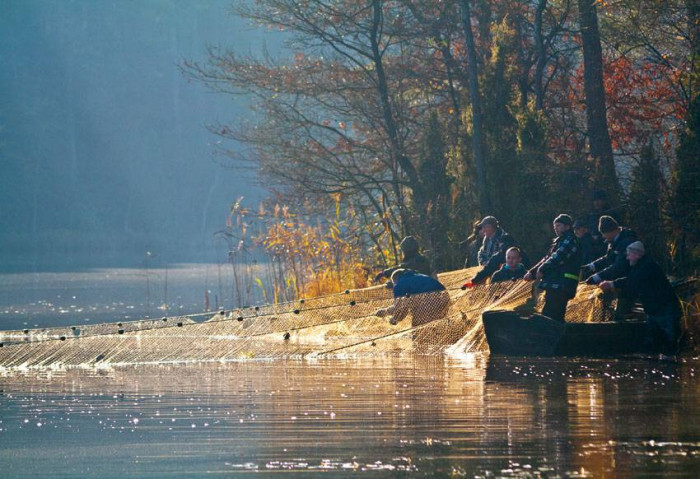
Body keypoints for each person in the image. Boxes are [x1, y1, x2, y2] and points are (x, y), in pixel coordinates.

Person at [598, 241, 681, 354]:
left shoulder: (647, 266)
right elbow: (632, 284)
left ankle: (671, 365)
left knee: (668, 341)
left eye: (629, 254)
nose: (627, 258)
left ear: (637, 254)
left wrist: (612, 284)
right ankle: (661, 366)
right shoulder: (640, 265)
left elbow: (633, 281)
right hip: (655, 309)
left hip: (665, 309)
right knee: (656, 342)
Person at [524, 214, 582, 322]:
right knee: (550, 314)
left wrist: (542, 269)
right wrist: (532, 272)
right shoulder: (558, 241)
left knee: (553, 315)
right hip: (554, 284)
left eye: (559, 226)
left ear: (567, 226)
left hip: (563, 285)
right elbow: (547, 258)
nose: (556, 229)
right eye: (555, 227)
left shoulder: (570, 240)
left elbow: (557, 257)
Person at [583, 215, 638, 319]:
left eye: (603, 234)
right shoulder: (615, 241)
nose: (603, 237)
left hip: (629, 283)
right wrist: (592, 266)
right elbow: (608, 258)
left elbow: (619, 267)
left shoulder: (627, 242)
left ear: (610, 231)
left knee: (620, 315)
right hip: (619, 283)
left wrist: (597, 277)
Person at [375, 269, 450, 327]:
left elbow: (401, 307)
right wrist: (387, 311)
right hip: (444, 298)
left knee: (417, 327)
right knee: (435, 323)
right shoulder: (415, 277)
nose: (394, 285)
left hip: (430, 301)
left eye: (394, 282)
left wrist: (394, 319)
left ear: (396, 279)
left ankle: (420, 344)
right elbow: (405, 304)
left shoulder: (400, 284)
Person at [464, 216, 518, 286]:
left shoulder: (504, 239)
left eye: (484, 228)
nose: (483, 231)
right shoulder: (486, 240)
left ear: (490, 227)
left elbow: (496, 260)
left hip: (507, 276)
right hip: (490, 271)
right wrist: (485, 263)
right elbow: (481, 253)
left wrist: (475, 280)